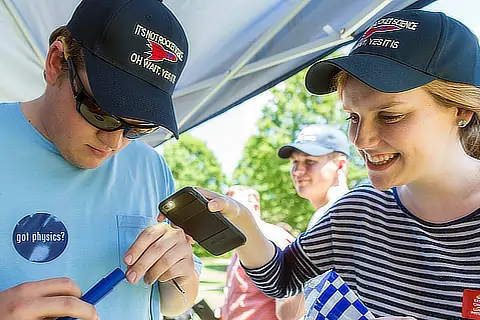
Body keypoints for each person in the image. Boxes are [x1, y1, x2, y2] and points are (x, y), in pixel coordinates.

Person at [197, 9, 480, 320]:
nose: (361, 139)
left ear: (462, 110)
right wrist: (242, 219)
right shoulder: (359, 209)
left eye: (390, 116)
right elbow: (282, 279)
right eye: (353, 117)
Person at [0, 0, 201, 319]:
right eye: (100, 114)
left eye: (138, 127)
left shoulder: (150, 166)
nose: (115, 142)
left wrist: (181, 274)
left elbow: (171, 303)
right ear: (56, 62)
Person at [220, 186, 305, 320]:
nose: (226, 211)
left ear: (255, 206)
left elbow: (290, 306)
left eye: (235, 205)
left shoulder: (272, 237)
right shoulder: (240, 241)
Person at [278, 124, 350, 230]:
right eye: (295, 161)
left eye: (310, 161)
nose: (298, 170)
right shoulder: (326, 215)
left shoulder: (342, 214)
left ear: (340, 165)